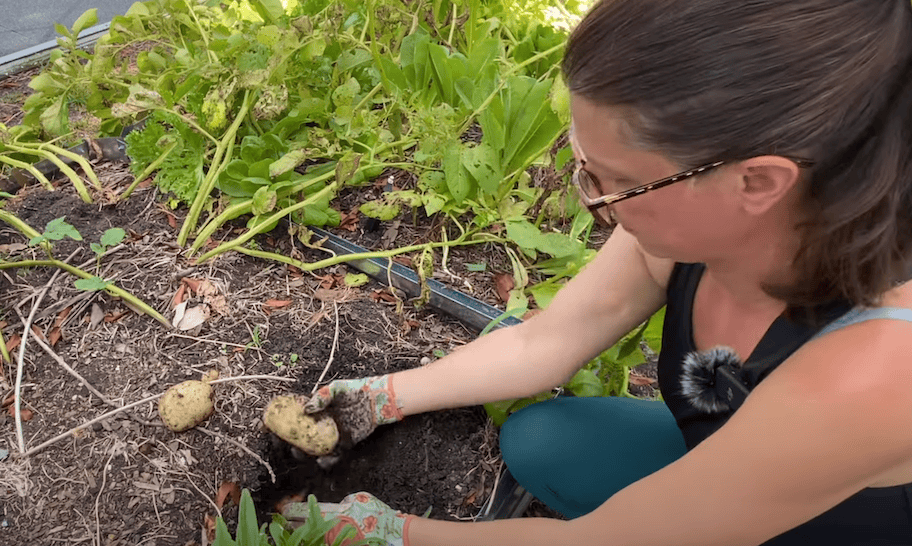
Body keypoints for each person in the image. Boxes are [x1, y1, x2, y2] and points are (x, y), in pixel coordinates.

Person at [281, 0, 912, 544]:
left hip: (841, 525)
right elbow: (544, 343)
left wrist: (393, 532)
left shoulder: (875, 370)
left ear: (756, 181)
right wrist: (381, 398)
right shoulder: (693, 230)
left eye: (613, 181)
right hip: (734, 461)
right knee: (546, 442)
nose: (591, 200)